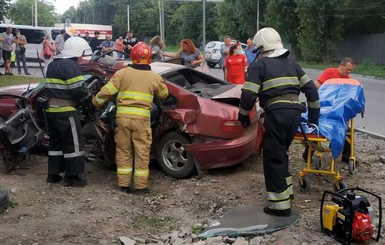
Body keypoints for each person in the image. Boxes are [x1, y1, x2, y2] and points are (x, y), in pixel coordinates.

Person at [238, 27, 320, 217]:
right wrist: (313, 119)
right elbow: (312, 91)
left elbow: (248, 95)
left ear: (261, 49)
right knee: (281, 152)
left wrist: (242, 116)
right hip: (295, 115)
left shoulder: (259, 66)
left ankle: (279, 207)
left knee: (273, 157)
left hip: (276, 114)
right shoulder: (293, 65)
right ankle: (287, 192)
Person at [92, 42, 169, 194]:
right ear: (149, 58)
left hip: (123, 119)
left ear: (132, 57)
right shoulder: (154, 77)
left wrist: (95, 102)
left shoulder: (121, 74)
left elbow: (106, 93)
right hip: (142, 120)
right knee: (141, 152)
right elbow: (164, 95)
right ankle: (140, 187)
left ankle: (124, 185)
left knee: (123, 151)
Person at [43, 37, 92, 187]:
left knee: (56, 143)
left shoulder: (53, 64)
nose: (82, 57)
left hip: (51, 110)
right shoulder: (71, 66)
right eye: (82, 53)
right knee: (74, 144)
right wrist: (89, 95)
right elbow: (78, 90)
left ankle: (53, 174)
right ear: (77, 52)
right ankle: (72, 177)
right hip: (66, 111)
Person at [306, 57, 356, 163]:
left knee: (346, 129)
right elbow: (316, 84)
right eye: (347, 69)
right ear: (341, 66)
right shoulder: (330, 72)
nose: (348, 72)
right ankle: (308, 153)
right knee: (316, 127)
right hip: (325, 107)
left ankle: (346, 156)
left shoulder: (348, 80)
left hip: (337, 109)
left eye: (350, 70)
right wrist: (328, 93)